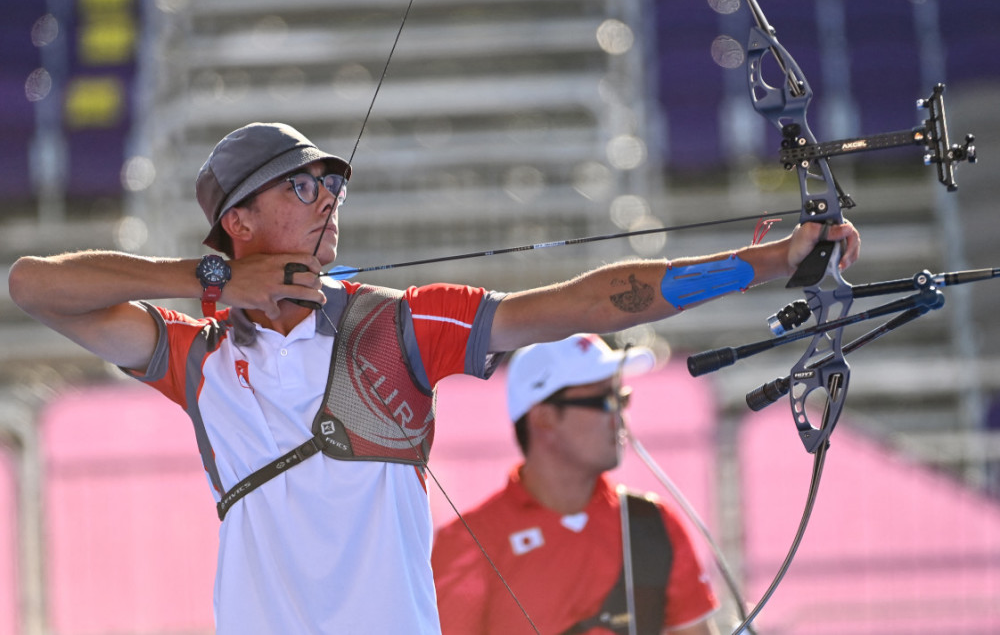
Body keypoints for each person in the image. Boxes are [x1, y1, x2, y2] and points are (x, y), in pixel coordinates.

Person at [7, 122, 859, 634]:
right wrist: (213, 283)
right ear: (239, 221)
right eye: (304, 185)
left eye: (334, 183)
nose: (329, 198)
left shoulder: (402, 325)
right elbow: (32, 285)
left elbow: (590, 303)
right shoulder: (198, 359)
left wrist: (765, 262)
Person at [432, 334, 720, 635]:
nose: (620, 417)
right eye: (604, 402)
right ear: (544, 419)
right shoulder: (470, 542)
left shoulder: (651, 522)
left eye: (621, 399)